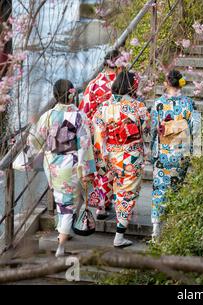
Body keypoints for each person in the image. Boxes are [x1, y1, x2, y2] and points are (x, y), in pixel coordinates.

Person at [27, 79, 96, 257]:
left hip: (53, 164)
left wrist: (31, 152)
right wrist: (88, 168)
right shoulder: (80, 116)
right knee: (68, 203)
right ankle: (61, 245)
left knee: (63, 200)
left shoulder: (48, 115)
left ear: (55, 95)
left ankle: (63, 230)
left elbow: (35, 140)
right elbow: (86, 144)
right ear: (73, 95)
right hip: (71, 164)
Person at [92, 70, 151, 247]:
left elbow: (98, 135)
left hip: (110, 155)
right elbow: (146, 131)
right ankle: (119, 235)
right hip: (131, 157)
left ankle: (116, 221)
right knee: (127, 194)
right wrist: (146, 150)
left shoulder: (103, 107)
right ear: (133, 86)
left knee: (118, 190)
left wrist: (102, 157)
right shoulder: (138, 107)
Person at [149, 70, 194, 242]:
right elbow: (194, 128)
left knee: (159, 189)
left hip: (163, 152)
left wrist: (153, 151)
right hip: (181, 152)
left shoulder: (158, 104)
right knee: (175, 189)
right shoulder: (189, 104)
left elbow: (153, 128)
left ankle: (156, 228)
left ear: (167, 83)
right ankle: (172, 227)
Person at [79, 50, 121, 220]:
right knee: (117, 166)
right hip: (119, 132)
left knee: (101, 168)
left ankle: (101, 206)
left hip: (98, 133)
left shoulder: (94, 83)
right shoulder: (122, 83)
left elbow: (85, 111)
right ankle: (116, 201)